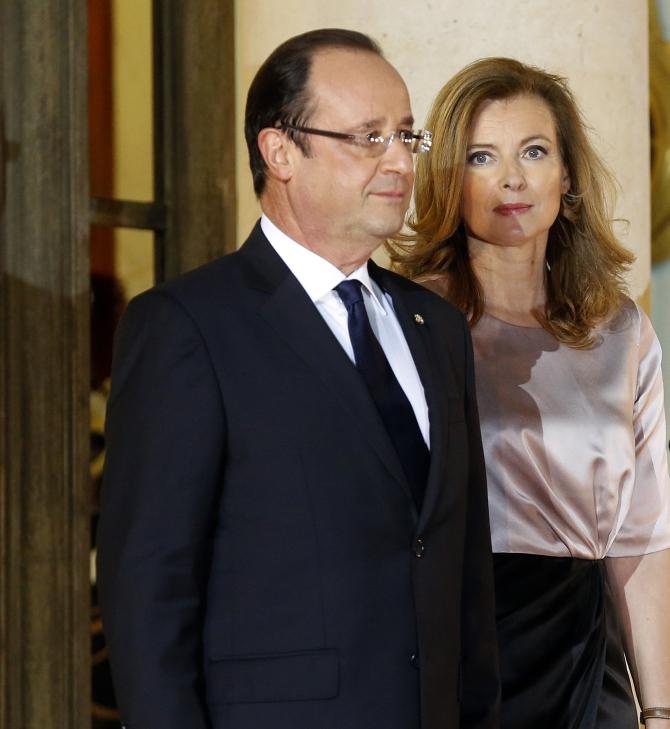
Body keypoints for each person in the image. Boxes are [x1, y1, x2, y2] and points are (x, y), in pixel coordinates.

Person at [97, 29, 500, 729]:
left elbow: (460, 569)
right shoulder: (186, 326)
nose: (399, 161)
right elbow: (148, 594)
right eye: (367, 137)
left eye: (406, 136)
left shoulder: (436, 328)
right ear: (279, 150)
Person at [392, 56, 670, 729]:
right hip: (460, 646)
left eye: (534, 151)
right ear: (450, 177)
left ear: (566, 174)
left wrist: (658, 709)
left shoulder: (620, 330)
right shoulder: (409, 321)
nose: (512, 178)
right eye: (482, 156)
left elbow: (643, 538)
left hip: (585, 658)